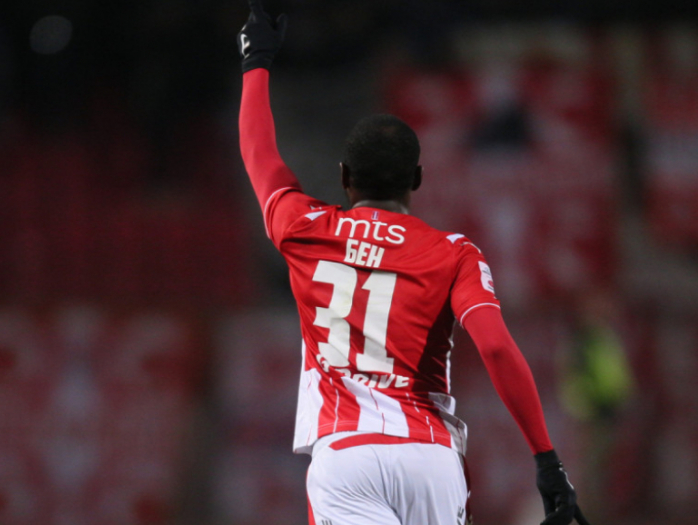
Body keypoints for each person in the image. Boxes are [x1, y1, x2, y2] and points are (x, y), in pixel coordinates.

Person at [236, 2, 590, 524]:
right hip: (431, 457)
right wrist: (546, 460)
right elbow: (495, 346)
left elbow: (258, 153)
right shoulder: (454, 252)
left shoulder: (305, 228)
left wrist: (256, 61)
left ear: (344, 176)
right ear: (417, 180)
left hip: (346, 455)